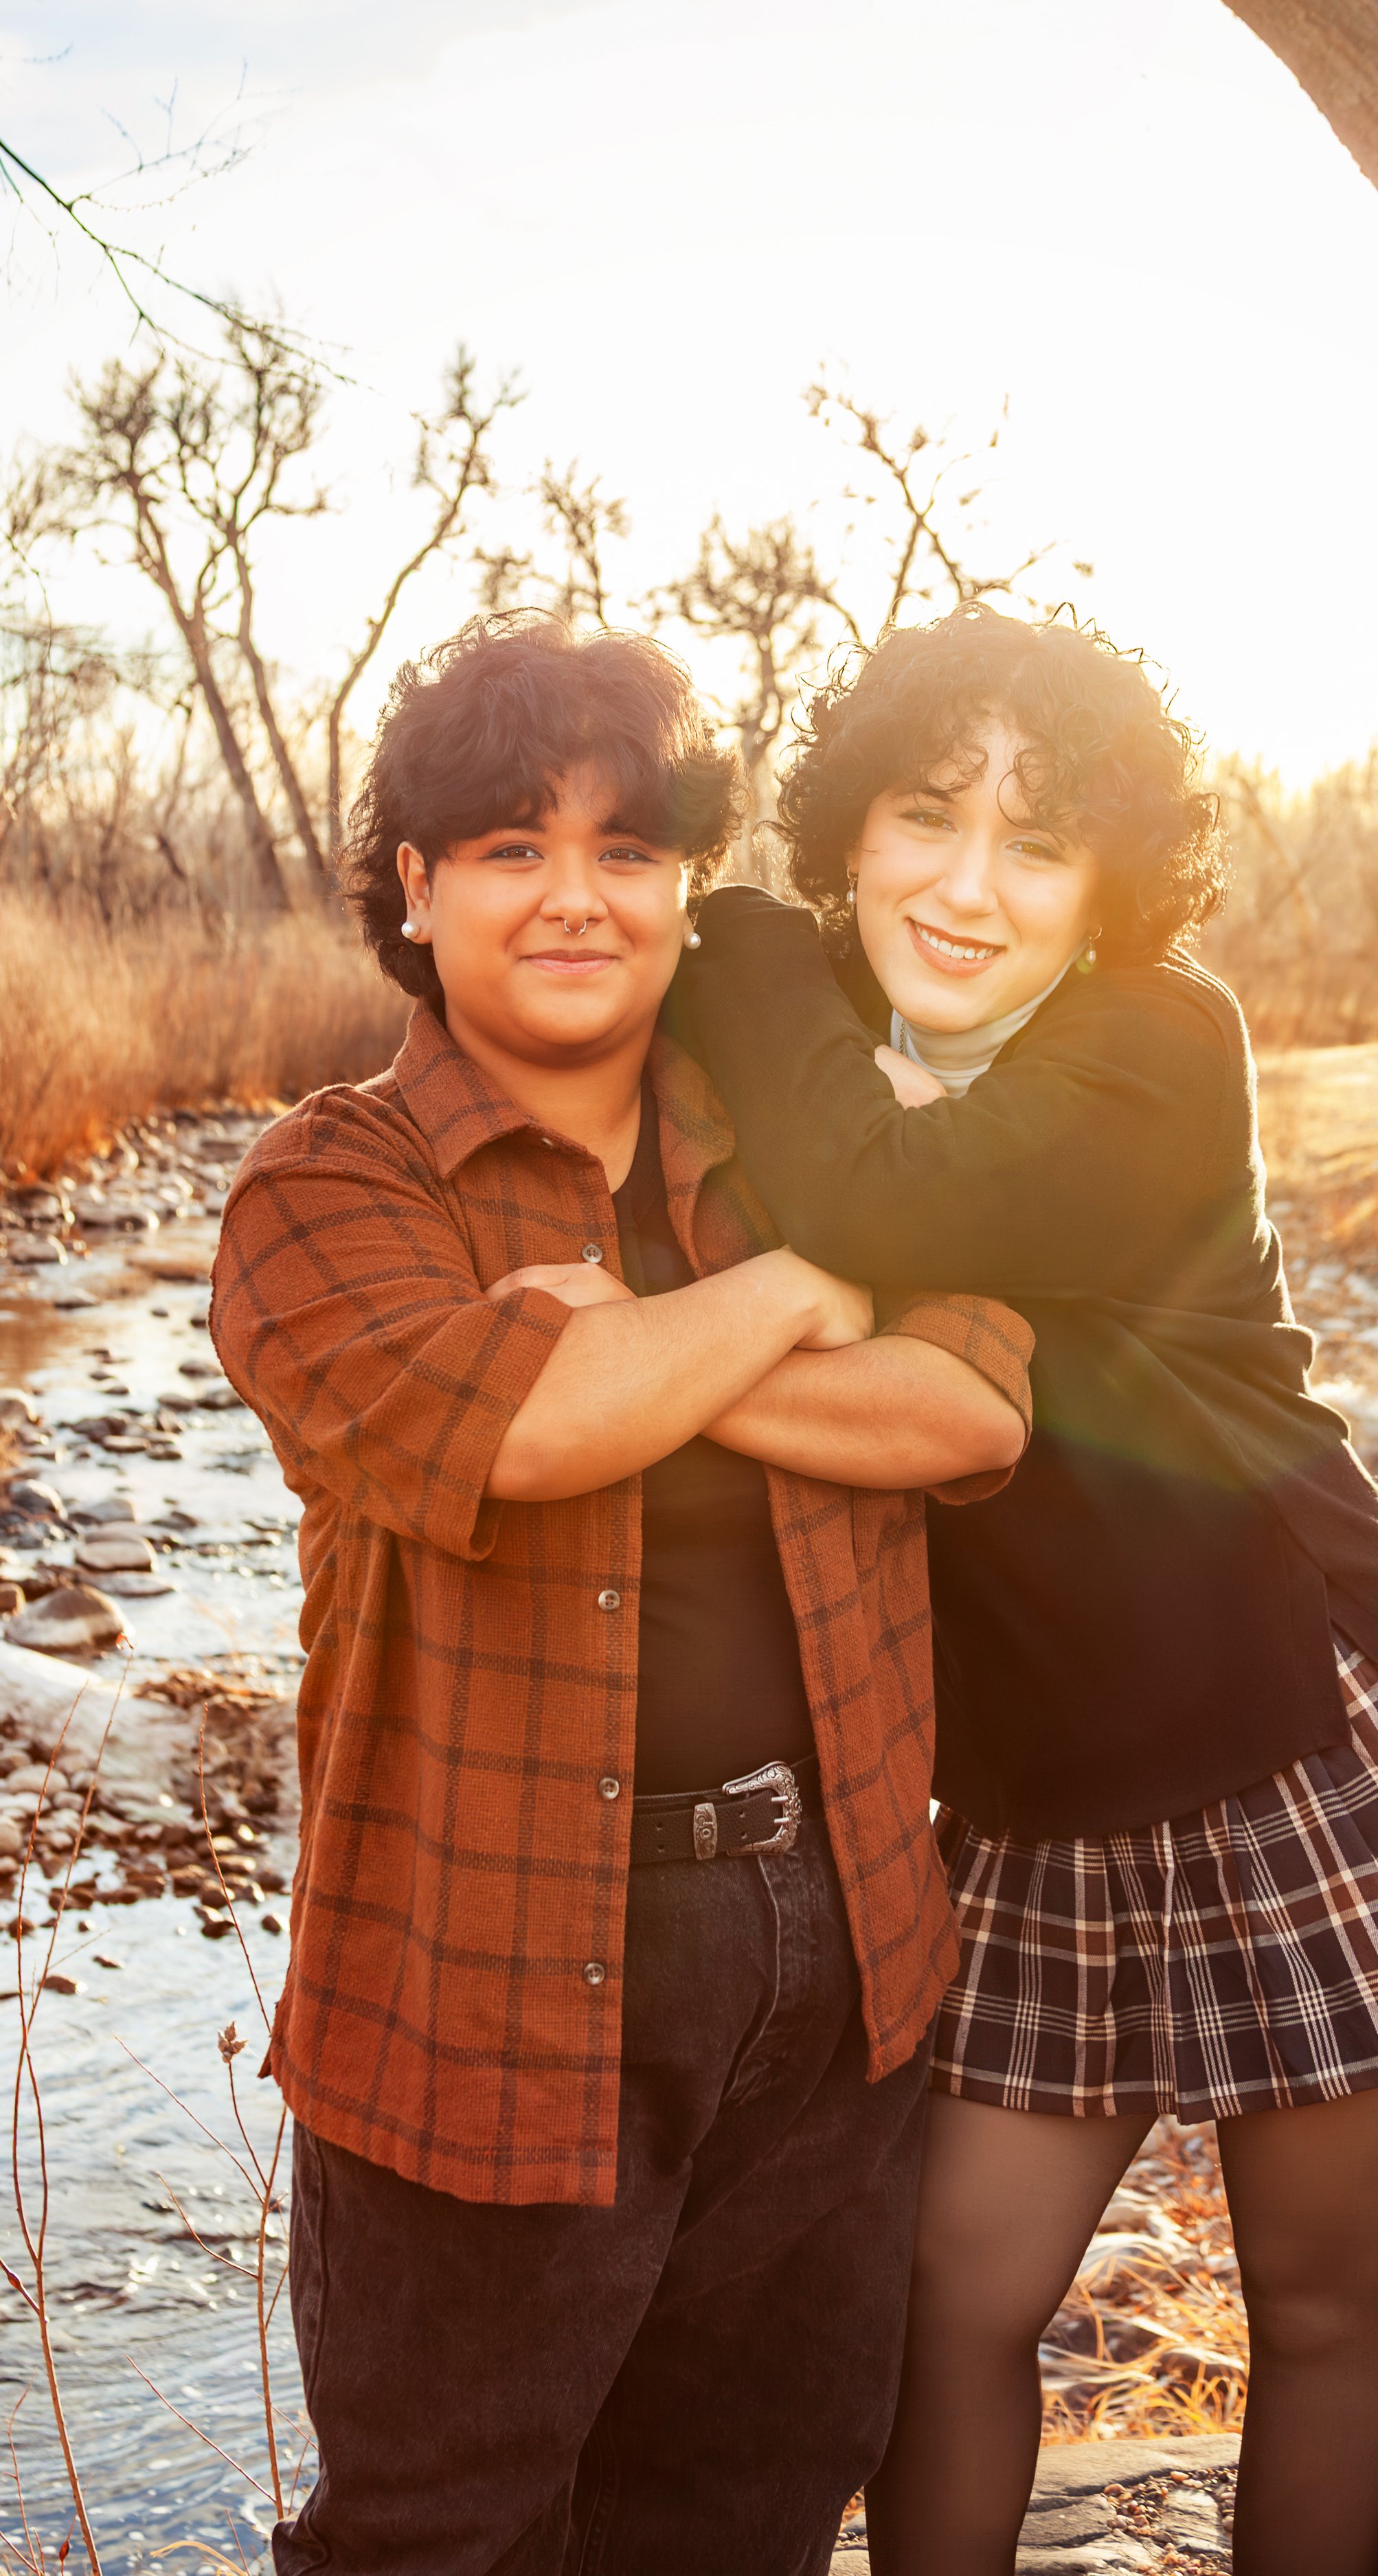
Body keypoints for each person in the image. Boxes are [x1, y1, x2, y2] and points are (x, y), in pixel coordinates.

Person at [677, 602, 1378, 2576]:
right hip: (1029, 1798)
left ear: (1104, 882)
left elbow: (885, 1203)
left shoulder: (1152, 1040)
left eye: (1036, 842)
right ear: (852, 829)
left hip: (1302, 1735)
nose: (967, 886)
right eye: (927, 819)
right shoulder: (815, 1047)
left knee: (1324, 2303)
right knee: (955, 2302)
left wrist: (745, 935)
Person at [209, 613, 1034, 2576]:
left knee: (745, 2509)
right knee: (444, 2529)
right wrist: (792, 1298)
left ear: (684, 884)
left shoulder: (822, 1133)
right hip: (477, 1962)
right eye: (510, 849)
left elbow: (970, 1410)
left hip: (837, 1944)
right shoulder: (326, 1186)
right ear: (415, 889)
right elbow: (514, 1437)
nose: (575, 900)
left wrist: (650, 1343)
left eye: (627, 849)